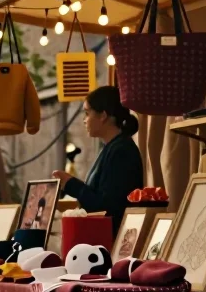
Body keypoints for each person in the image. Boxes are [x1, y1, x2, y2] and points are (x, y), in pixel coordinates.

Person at [52, 86, 144, 233]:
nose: (84, 120)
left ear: (103, 116)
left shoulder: (122, 151)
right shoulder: (112, 147)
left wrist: (71, 184)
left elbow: (107, 207)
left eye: (87, 113)